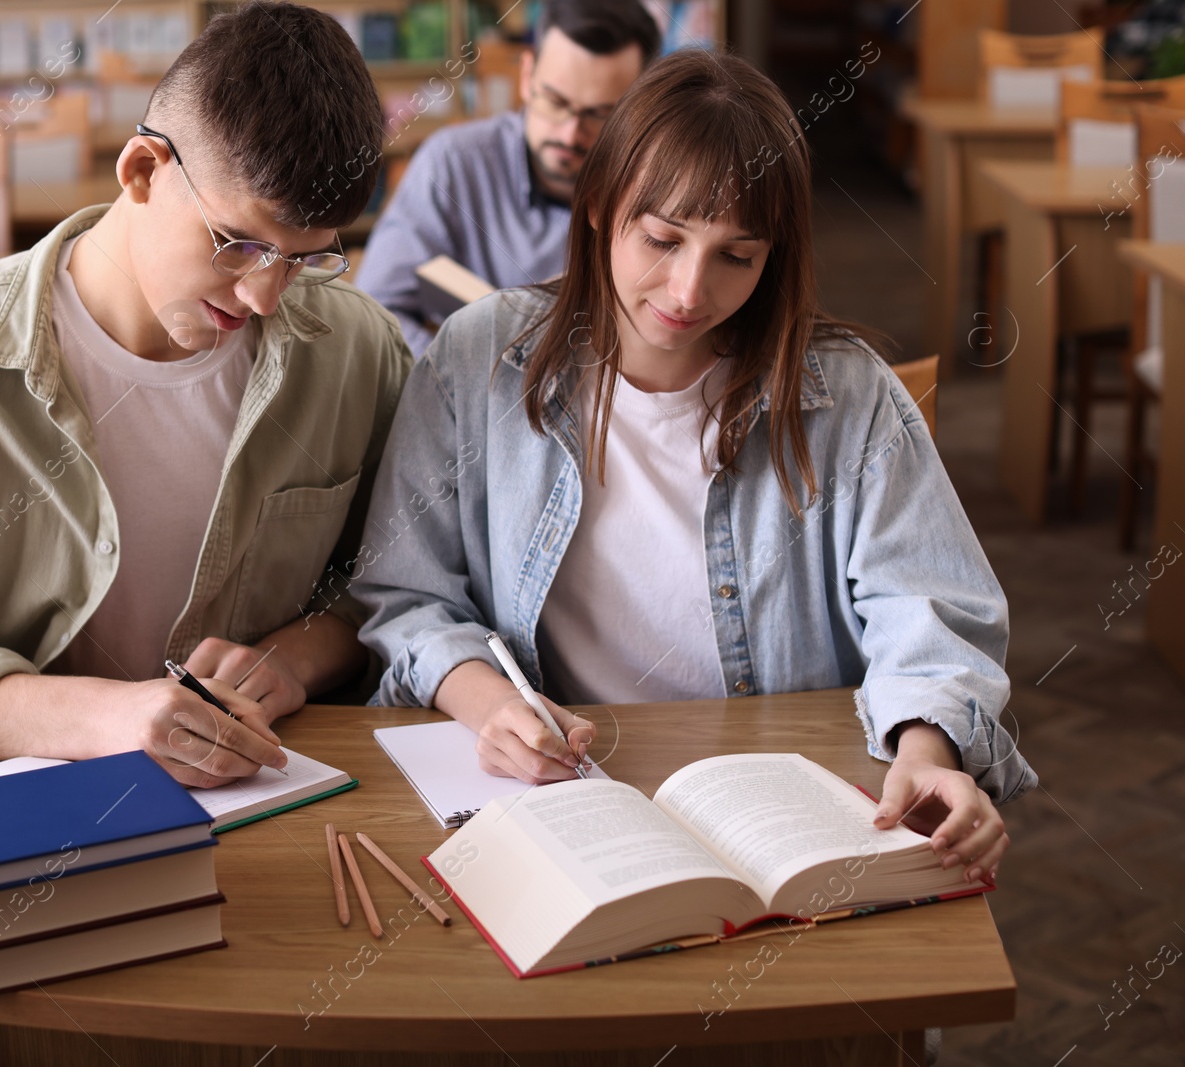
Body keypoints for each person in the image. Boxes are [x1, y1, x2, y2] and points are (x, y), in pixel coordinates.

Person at [0, 4, 409, 1061]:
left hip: (267, 789)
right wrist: (97, 717)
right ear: (139, 171)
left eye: (308, 258)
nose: (265, 296)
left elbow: (395, 584)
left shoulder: (354, 348)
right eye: (236, 244)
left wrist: (300, 654)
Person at [354, 50, 1036, 893]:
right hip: (564, 798)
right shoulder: (476, 357)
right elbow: (406, 592)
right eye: (663, 239)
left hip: (781, 808)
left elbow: (929, 609)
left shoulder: (849, 393)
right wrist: (490, 703)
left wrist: (929, 752)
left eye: (736, 256)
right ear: (600, 204)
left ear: (774, 255)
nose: (688, 290)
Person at [355, 0, 661, 356]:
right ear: (527, 75)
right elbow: (377, 312)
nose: (569, 134)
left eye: (599, 115)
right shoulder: (453, 163)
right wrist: (461, 384)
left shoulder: (657, 189)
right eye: (555, 101)